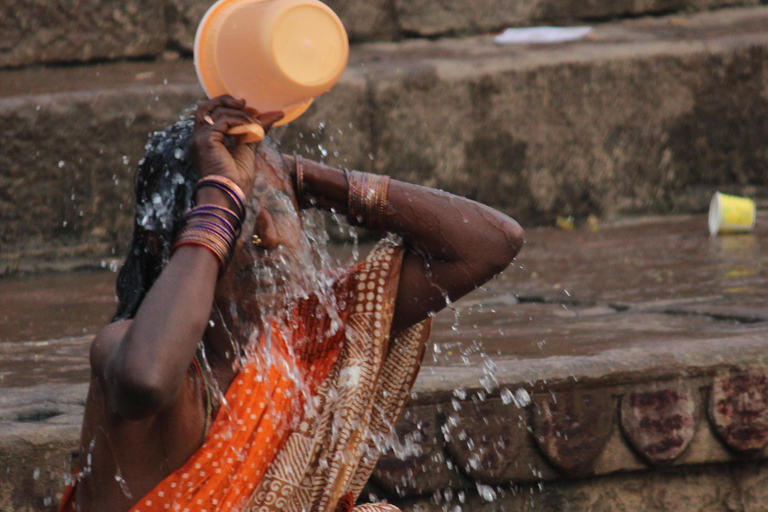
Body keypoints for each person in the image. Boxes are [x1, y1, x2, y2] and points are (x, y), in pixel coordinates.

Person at [59, 96, 523, 512]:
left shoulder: (310, 333)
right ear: (170, 242)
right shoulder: (126, 354)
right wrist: (223, 189)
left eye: (280, 207)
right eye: (240, 216)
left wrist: (300, 176)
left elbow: (490, 243)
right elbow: (145, 381)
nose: (271, 237)